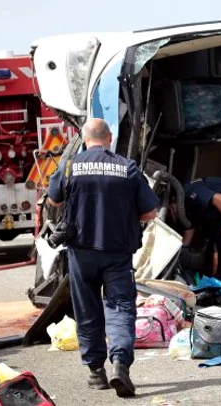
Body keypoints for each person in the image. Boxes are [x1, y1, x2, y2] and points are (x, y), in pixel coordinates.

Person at [47, 118, 160, 398]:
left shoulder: (71, 165)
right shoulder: (127, 167)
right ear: (109, 138)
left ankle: (96, 372)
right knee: (121, 307)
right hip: (117, 252)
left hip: (81, 252)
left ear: (84, 139)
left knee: (87, 311)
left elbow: (54, 200)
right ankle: (120, 364)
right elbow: (150, 213)